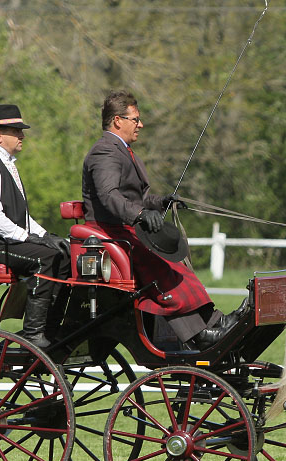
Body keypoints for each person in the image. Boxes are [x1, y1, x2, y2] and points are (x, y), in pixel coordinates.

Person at [81, 90, 239, 349]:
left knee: (177, 259)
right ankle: (197, 335)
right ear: (118, 121)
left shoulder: (124, 151)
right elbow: (109, 196)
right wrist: (141, 215)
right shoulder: (105, 152)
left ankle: (213, 321)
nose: (140, 124)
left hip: (126, 227)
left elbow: (137, 198)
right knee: (160, 262)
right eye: (135, 119)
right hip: (111, 231)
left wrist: (161, 202)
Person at [0, 104, 70, 348]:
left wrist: (46, 235)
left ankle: (51, 328)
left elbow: (20, 216)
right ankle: (33, 334)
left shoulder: (6, 163)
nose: (22, 136)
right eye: (16, 130)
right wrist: (28, 238)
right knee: (45, 258)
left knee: (63, 253)